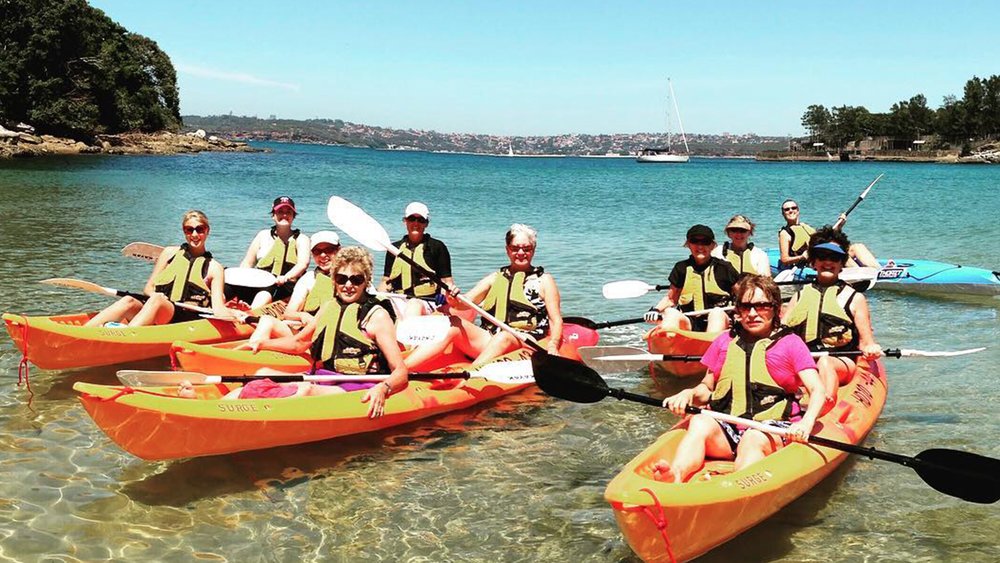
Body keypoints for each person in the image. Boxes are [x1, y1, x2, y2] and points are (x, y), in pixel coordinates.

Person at [650, 275, 825, 484]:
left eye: (761, 306)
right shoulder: (724, 341)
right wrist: (689, 394)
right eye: (745, 307)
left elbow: (817, 390)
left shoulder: (791, 344)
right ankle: (676, 473)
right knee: (699, 422)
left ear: (776, 309)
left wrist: (806, 423)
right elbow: (707, 388)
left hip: (770, 429)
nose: (752, 314)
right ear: (737, 311)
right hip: (728, 426)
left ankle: (739, 485)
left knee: (753, 438)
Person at [226, 247, 407, 419]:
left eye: (356, 279)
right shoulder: (329, 307)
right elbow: (299, 343)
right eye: (342, 279)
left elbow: (400, 371)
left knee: (305, 390)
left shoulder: (377, 316)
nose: (348, 285)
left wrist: (384, 388)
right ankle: (220, 410)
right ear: (334, 280)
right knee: (261, 372)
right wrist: (261, 344)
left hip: (358, 383)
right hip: (325, 376)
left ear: (366, 281)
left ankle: (254, 419)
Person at [412, 223, 563, 366]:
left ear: (533, 249)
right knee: (452, 324)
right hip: (490, 338)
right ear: (507, 250)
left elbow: (555, 319)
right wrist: (452, 298)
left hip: (526, 340)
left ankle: (470, 374)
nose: (521, 253)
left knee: (505, 336)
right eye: (515, 248)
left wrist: (553, 344)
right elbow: (464, 303)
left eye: (527, 248)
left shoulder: (544, 280)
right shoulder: (494, 278)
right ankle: (402, 370)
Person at [782, 227, 882, 407]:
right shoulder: (799, 296)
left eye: (834, 258)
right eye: (822, 256)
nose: (828, 262)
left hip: (840, 361)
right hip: (805, 362)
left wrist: (871, 348)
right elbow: (780, 333)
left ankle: (823, 403)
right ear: (813, 262)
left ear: (842, 263)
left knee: (825, 362)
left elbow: (867, 341)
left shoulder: (855, 298)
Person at [85, 211, 230, 327]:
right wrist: (158, 297)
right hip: (158, 307)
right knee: (128, 300)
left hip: (183, 317)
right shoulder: (168, 253)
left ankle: (125, 336)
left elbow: (218, 308)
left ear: (207, 231)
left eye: (199, 229)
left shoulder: (215, 268)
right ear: (184, 231)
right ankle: (83, 333)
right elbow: (148, 288)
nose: (194, 235)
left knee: (157, 301)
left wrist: (233, 314)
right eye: (189, 230)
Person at [245, 231, 341, 347]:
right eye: (317, 251)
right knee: (266, 321)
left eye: (329, 250)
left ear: (339, 250)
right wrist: (302, 316)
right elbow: (289, 313)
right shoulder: (309, 278)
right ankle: (252, 353)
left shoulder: (351, 280)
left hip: (332, 336)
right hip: (306, 334)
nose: (323, 255)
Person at [645, 225, 739, 333]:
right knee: (670, 312)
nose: (700, 246)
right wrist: (655, 310)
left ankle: (711, 347)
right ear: (688, 244)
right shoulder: (681, 268)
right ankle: (667, 345)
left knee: (716, 313)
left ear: (713, 245)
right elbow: (671, 299)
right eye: (695, 241)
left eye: (705, 242)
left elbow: (743, 297)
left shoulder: (724, 268)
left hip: (721, 322)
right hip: (690, 322)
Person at [377, 202, 457, 318]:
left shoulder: (437, 247)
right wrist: (379, 297)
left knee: (414, 305)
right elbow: (385, 281)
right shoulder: (393, 249)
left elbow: (447, 282)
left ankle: (406, 332)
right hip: (399, 299)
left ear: (426, 224)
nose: (416, 223)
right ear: (405, 221)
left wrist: (444, 297)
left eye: (421, 220)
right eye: (412, 219)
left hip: (428, 302)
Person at [238, 196, 311, 309]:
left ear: (293, 216)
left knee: (266, 292)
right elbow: (248, 262)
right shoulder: (262, 235)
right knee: (229, 286)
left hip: (285, 287)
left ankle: (251, 313)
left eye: (288, 212)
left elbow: (303, 264)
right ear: (273, 215)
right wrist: (240, 280)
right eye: (280, 212)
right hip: (262, 282)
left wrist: (285, 277)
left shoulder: (302, 239)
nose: (284, 215)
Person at [777, 199, 879, 269]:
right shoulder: (785, 233)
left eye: (793, 208)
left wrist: (839, 227)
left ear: (798, 211)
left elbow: (826, 240)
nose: (791, 211)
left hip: (823, 254)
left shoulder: (805, 227)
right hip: (811, 262)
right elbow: (784, 259)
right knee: (837, 253)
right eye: (787, 209)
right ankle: (859, 274)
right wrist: (802, 257)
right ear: (783, 213)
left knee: (857, 246)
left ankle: (878, 271)